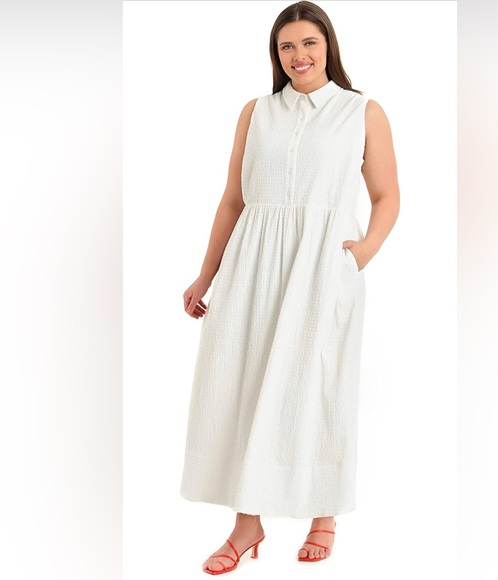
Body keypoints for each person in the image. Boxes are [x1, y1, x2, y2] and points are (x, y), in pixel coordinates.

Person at [181, 1, 399, 574]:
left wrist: (364, 251)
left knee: (320, 385)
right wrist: (206, 274)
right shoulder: (256, 112)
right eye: (287, 46)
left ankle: (324, 513)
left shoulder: (362, 111)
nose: (298, 55)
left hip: (322, 266)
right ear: (276, 55)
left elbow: (386, 195)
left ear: (328, 46)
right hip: (252, 265)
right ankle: (246, 524)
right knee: (244, 382)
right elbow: (234, 200)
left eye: (309, 43)